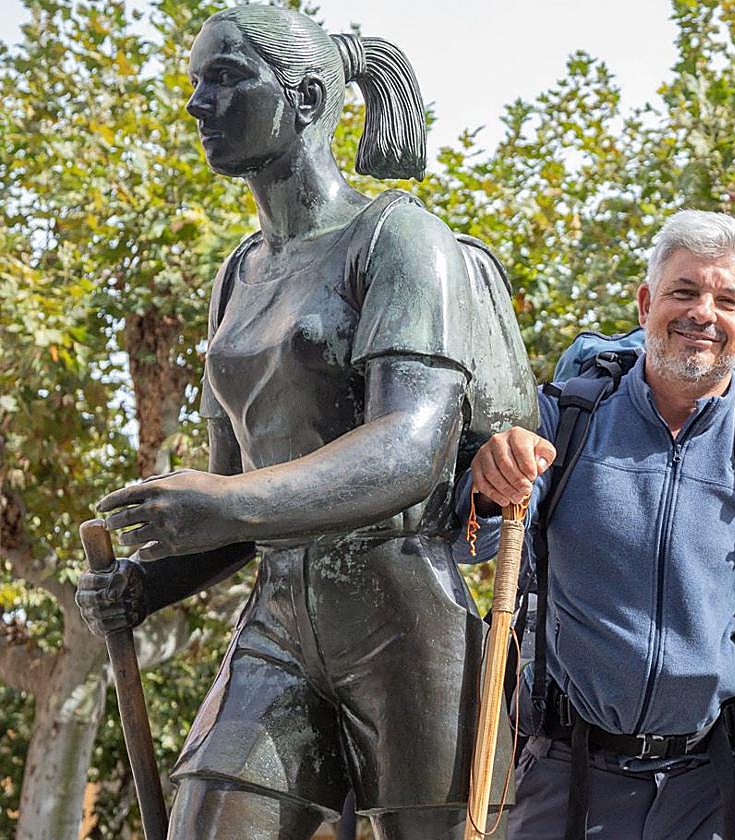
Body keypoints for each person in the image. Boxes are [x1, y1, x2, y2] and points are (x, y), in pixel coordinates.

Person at [74, 7, 536, 839]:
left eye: (225, 79)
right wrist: (147, 584)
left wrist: (224, 503)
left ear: (309, 97)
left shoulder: (401, 238)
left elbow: (408, 450)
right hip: (278, 623)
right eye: (195, 82)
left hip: (404, 629)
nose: (198, 104)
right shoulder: (237, 275)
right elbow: (236, 501)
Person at [469, 210, 735, 839]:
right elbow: (478, 542)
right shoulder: (561, 423)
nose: (703, 313)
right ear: (645, 303)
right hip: (565, 776)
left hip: (711, 789)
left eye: (727, 301)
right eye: (684, 292)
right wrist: (489, 485)